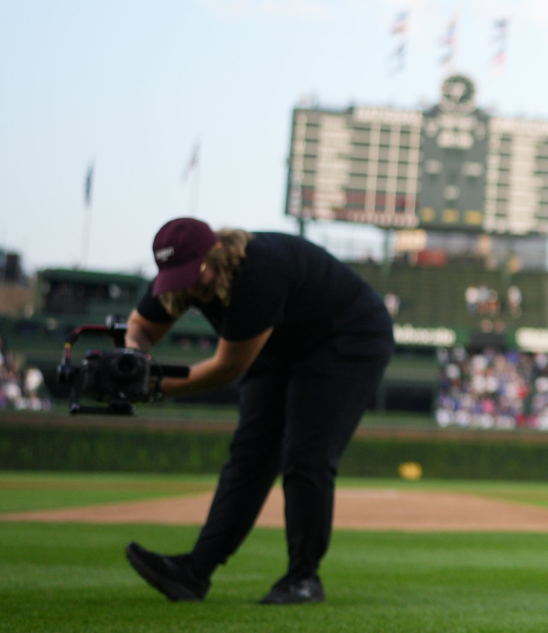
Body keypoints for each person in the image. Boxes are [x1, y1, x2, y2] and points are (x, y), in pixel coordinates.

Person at [121, 220, 395, 604]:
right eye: (178, 279)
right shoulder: (180, 277)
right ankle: (194, 572)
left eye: (195, 274)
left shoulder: (257, 272)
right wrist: (133, 358)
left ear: (216, 252)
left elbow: (226, 368)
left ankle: (303, 579)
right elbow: (139, 327)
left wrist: (153, 384)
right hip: (280, 344)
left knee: (305, 456)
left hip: (346, 337)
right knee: (250, 454)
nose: (190, 287)